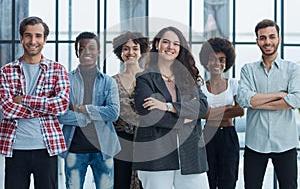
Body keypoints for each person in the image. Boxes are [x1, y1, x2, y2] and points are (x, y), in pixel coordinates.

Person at [133, 26, 209, 189]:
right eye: (166, 42)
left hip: (190, 153)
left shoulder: (188, 77)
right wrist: (186, 118)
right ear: (157, 44)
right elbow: (150, 114)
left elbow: (202, 107)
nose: (171, 47)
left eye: (176, 44)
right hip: (156, 155)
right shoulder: (144, 78)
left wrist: (167, 106)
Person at [0, 16, 70, 189]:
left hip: (46, 146)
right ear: (21, 38)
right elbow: (7, 109)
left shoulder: (57, 70)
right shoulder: (6, 71)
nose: (33, 41)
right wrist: (46, 107)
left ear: (45, 39)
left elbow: (61, 106)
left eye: (38, 36)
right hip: (15, 148)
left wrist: (25, 100)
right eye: (28, 35)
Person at [236, 19, 300, 189]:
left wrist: (256, 101)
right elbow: (243, 100)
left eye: (272, 37)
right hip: (255, 143)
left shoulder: (292, 69)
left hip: (285, 143)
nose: (268, 42)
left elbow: (295, 100)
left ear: (279, 38)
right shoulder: (247, 69)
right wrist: (278, 95)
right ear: (257, 41)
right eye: (262, 38)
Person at [58, 32, 120, 189]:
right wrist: (85, 117)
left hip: (103, 150)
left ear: (99, 51)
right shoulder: (66, 80)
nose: (87, 52)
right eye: (82, 48)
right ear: (77, 52)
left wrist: (83, 109)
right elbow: (60, 114)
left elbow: (113, 113)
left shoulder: (108, 82)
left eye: (91, 48)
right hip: (74, 149)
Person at [199, 37, 244, 189]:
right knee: (208, 180)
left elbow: (239, 110)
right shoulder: (201, 88)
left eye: (221, 59)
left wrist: (212, 112)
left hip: (228, 136)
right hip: (207, 137)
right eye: (212, 59)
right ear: (206, 61)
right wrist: (227, 109)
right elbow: (202, 114)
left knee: (229, 180)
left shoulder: (233, 84)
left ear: (227, 62)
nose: (217, 63)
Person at [112, 31, 149, 189]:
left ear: (141, 51)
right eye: (126, 49)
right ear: (120, 52)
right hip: (121, 140)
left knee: (144, 182)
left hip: (146, 139)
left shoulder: (150, 78)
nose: (131, 52)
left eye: (135, 48)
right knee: (121, 181)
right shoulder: (112, 81)